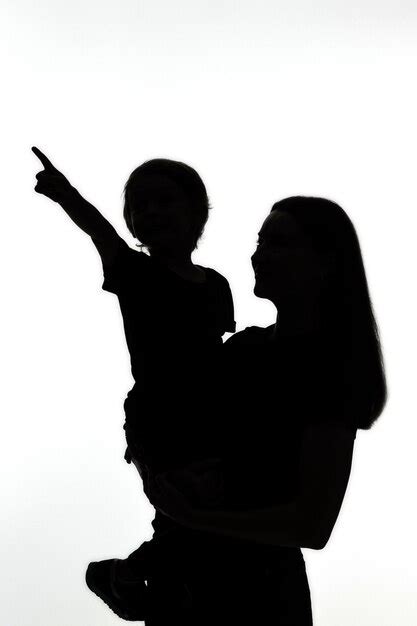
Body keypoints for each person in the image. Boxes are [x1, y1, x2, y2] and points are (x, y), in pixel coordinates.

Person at [142, 196, 388, 625]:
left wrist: (194, 517)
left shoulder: (329, 371)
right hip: (189, 583)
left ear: (325, 263)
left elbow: (311, 525)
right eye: (260, 241)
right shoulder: (243, 350)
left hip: (260, 596)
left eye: (279, 243)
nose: (259, 254)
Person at [31, 146, 236, 621]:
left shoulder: (216, 284)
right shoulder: (133, 271)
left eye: (166, 201)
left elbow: (218, 353)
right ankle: (135, 579)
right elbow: (98, 230)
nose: (152, 212)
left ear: (197, 212)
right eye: (140, 205)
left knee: (206, 510)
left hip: (211, 415)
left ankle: (131, 577)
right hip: (158, 417)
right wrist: (65, 194)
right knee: (185, 505)